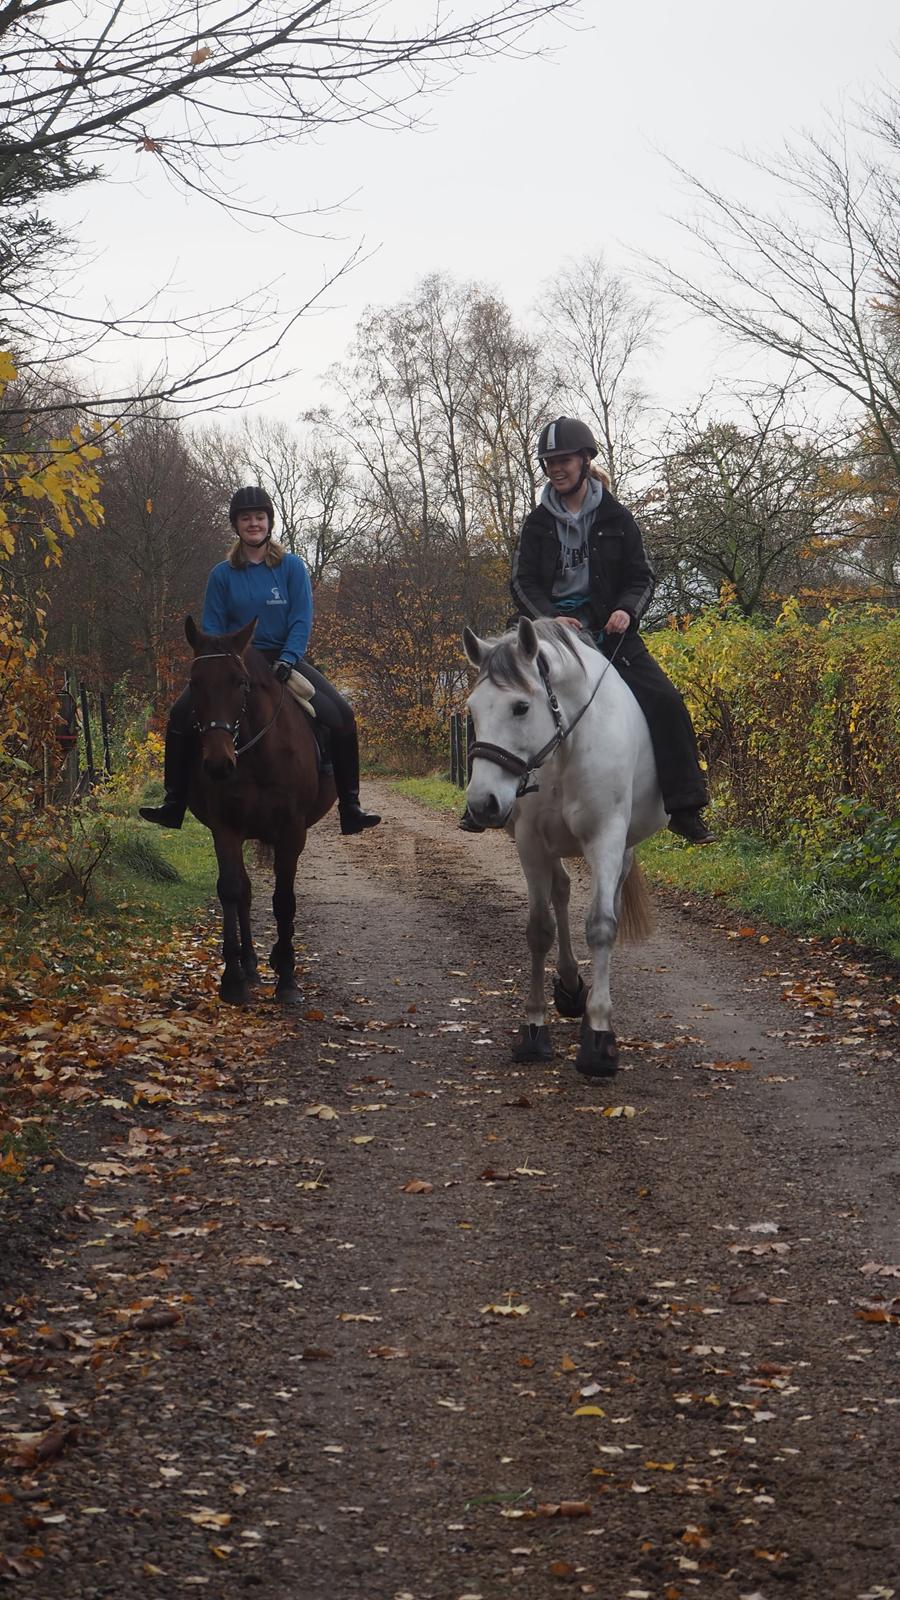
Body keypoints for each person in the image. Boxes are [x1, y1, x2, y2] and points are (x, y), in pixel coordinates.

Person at [462, 416, 712, 843]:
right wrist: (548, 617)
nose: (555, 468)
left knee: (667, 702)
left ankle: (684, 806)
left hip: (610, 634)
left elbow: (642, 576)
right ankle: (481, 800)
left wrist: (626, 610)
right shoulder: (536, 523)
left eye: (562, 460)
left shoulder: (617, 518)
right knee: (494, 695)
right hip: (545, 634)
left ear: (584, 460)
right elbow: (521, 582)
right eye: (548, 462)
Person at [139, 486, 380, 836]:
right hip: (232, 662)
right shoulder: (222, 575)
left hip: (284, 660)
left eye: (259, 517)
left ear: (269, 522)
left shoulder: (291, 567)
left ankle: (350, 805)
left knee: (341, 714)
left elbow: (301, 619)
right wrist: (225, 661)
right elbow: (213, 628)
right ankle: (174, 801)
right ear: (236, 525)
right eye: (246, 518)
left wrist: (287, 658)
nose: (254, 523)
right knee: (180, 715)